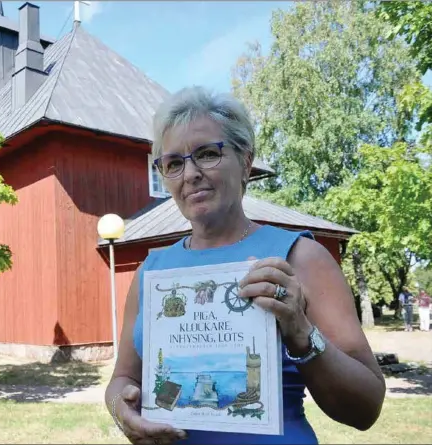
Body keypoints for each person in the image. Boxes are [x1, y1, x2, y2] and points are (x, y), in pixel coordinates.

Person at [104, 86, 386, 444]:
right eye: (173, 163)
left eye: (207, 154)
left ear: (246, 162)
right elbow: (123, 379)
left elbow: (366, 409)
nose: (189, 174)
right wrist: (120, 410)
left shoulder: (301, 257)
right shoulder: (153, 272)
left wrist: (301, 334)